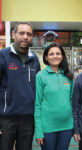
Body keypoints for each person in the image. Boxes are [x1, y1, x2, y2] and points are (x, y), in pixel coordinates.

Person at [0, 22, 40, 150]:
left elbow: (37, 88)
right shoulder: (2, 56)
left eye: (28, 34)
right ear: (13, 34)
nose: (25, 37)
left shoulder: (34, 59)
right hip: (6, 118)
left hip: (28, 118)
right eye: (21, 33)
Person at [34, 43, 74, 150]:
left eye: (58, 53)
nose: (55, 56)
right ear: (46, 57)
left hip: (67, 126)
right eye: (51, 54)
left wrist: (75, 125)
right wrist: (38, 131)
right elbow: (37, 104)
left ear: (62, 56)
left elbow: (72, 100)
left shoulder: (68, 75)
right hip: (48, 127)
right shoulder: (40, 76)